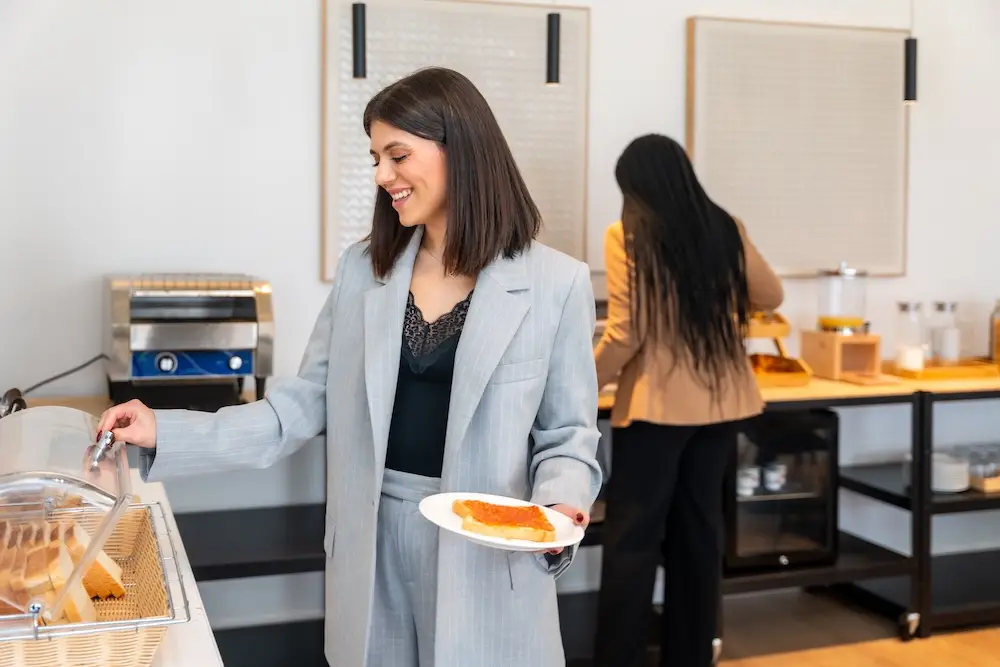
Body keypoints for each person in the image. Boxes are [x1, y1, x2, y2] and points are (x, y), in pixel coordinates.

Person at [97, 67, 602, 667]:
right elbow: (300, 405)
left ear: (458, 150)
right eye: (376, 159)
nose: (384, 176)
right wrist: (166, 429)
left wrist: (559, 504)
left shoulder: (555, 282)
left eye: (397, 154)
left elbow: (568, 436)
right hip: (371, 548)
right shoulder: (365, 270)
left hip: (486, 554)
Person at [591, 134, 783, 667]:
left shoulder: (626, 234)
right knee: (699, 539)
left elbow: (627, 333)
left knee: (633, 542)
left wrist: (580, 388)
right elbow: (771, 296)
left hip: (657, 411)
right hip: (721, 407)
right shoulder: (723, 227)